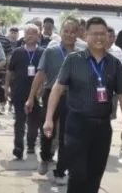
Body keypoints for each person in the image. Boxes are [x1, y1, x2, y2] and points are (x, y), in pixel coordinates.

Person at [43, 17, 122, 193]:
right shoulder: (73, 60)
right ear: (86, 35)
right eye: (94, 33)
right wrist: (48, 118)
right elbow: (57, 88)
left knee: (95, 174)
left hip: (102, 127)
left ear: (108, 37)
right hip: (76, 125)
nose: (99, 38)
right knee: (78, 172)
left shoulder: (114, 64)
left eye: (103, 33)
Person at [28, 17, 83, 183]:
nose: (69, 35)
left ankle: (60, 171)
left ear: (77, 34)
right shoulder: (51, 51)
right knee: (47, 130)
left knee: (67, 135)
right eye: (66, 31)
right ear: (61, 32)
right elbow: (40, 75)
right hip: (51, 94)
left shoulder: (81, 54)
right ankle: (45, 157)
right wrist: (31, 97)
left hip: (72, 98)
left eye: (73, 32)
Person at [6, 24, 44, 161]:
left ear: (38, 36)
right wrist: (6, 88)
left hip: (36, 93)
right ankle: (18, 148)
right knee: (19, 120)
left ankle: (31, 145)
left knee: (34, 120)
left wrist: (41, 89)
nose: (30, 35)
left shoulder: (43, 52)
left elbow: (46, 73)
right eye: (28, 33)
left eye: (33, 33)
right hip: (19, 91)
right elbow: (10, 71)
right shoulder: (17, 52)